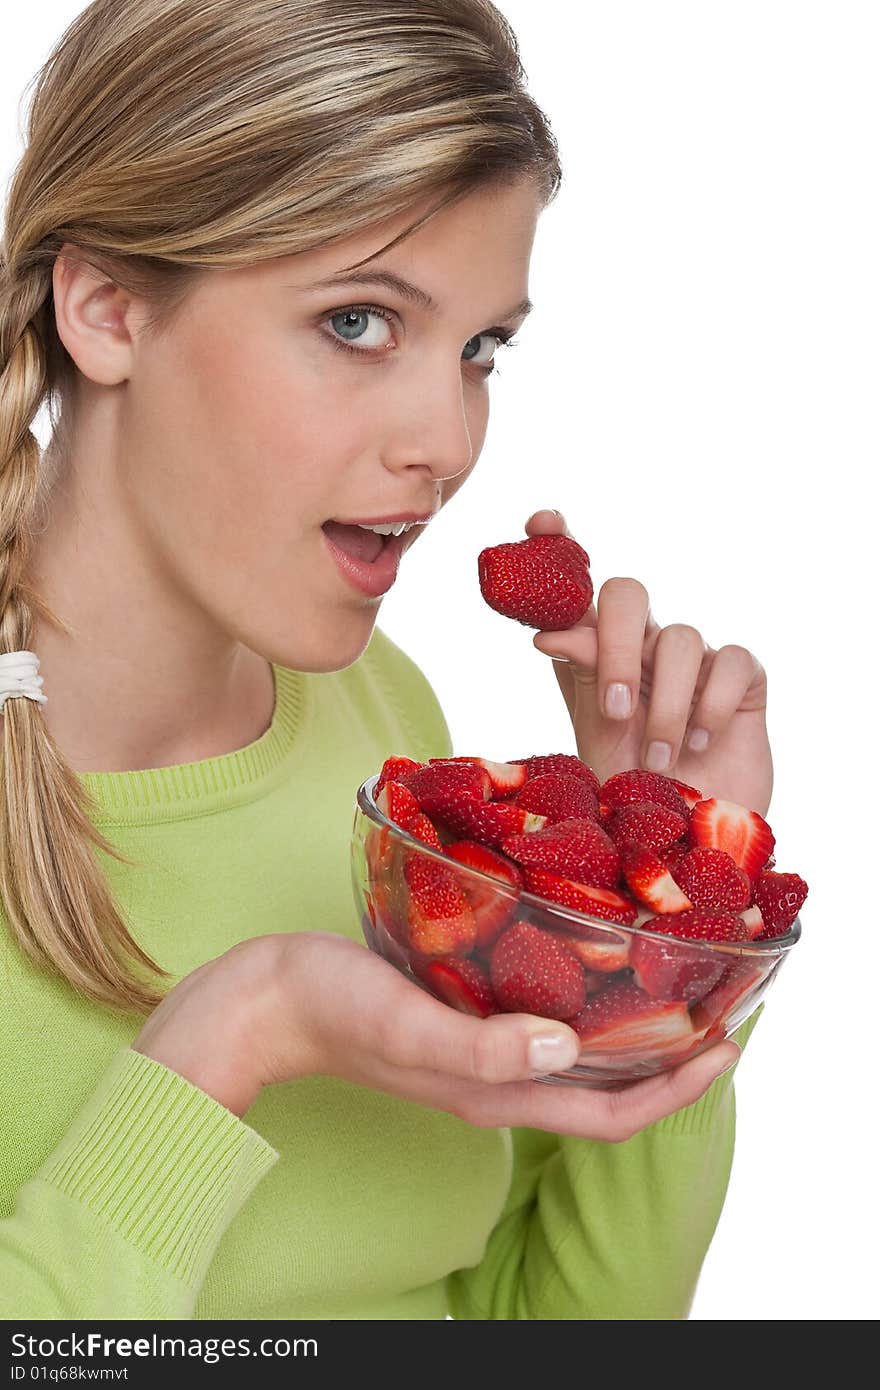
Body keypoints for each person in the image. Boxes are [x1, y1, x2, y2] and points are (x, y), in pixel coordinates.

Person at [0, 0, 771, 1321]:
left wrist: (657, 940)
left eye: (480, 348)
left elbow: (540, 1324)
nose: (448, 441)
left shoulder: (383, 716)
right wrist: (236, 1037)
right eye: (358, 322)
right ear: (109, 309)